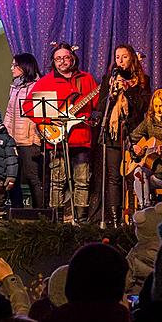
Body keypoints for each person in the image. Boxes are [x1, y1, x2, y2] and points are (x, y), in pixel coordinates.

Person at [24, 43, 99, 222]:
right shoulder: (46, 81)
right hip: (55, 139)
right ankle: (55, 221)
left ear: (72, 58)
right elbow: (28, 107)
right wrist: (49, 120)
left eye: (65, 57)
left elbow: (97, 103)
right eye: (58, 58)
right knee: (57, 182)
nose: (62, 61)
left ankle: (80, 220)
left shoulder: (86, 79)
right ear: (53, 61)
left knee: (82, 181)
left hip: (81, 139)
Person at [94, 44, 151, 226]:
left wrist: (127, 89)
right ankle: (115, 220)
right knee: (113, 178)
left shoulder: (142, 80)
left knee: (131, 175)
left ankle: (133, 219)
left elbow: (143, 107)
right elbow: (101, 107)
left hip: (132, 134)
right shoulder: (108, 79)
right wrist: (112, 95)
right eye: (117, 57)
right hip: (112, 134)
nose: (120, 60)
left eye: (124, 57)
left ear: (132, 59)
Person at [4, 53, 43, 209]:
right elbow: (9, 113)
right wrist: (5, 136)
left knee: (33, 177)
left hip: (28, 140)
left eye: (15, 65)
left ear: (25, 67)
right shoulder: (14, 87)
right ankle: (18, 211)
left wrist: (36, 140)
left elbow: (38, 116)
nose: (12, 68)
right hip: (13, 140)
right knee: (14, 177)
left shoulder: (37, 86)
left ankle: (39, 213)